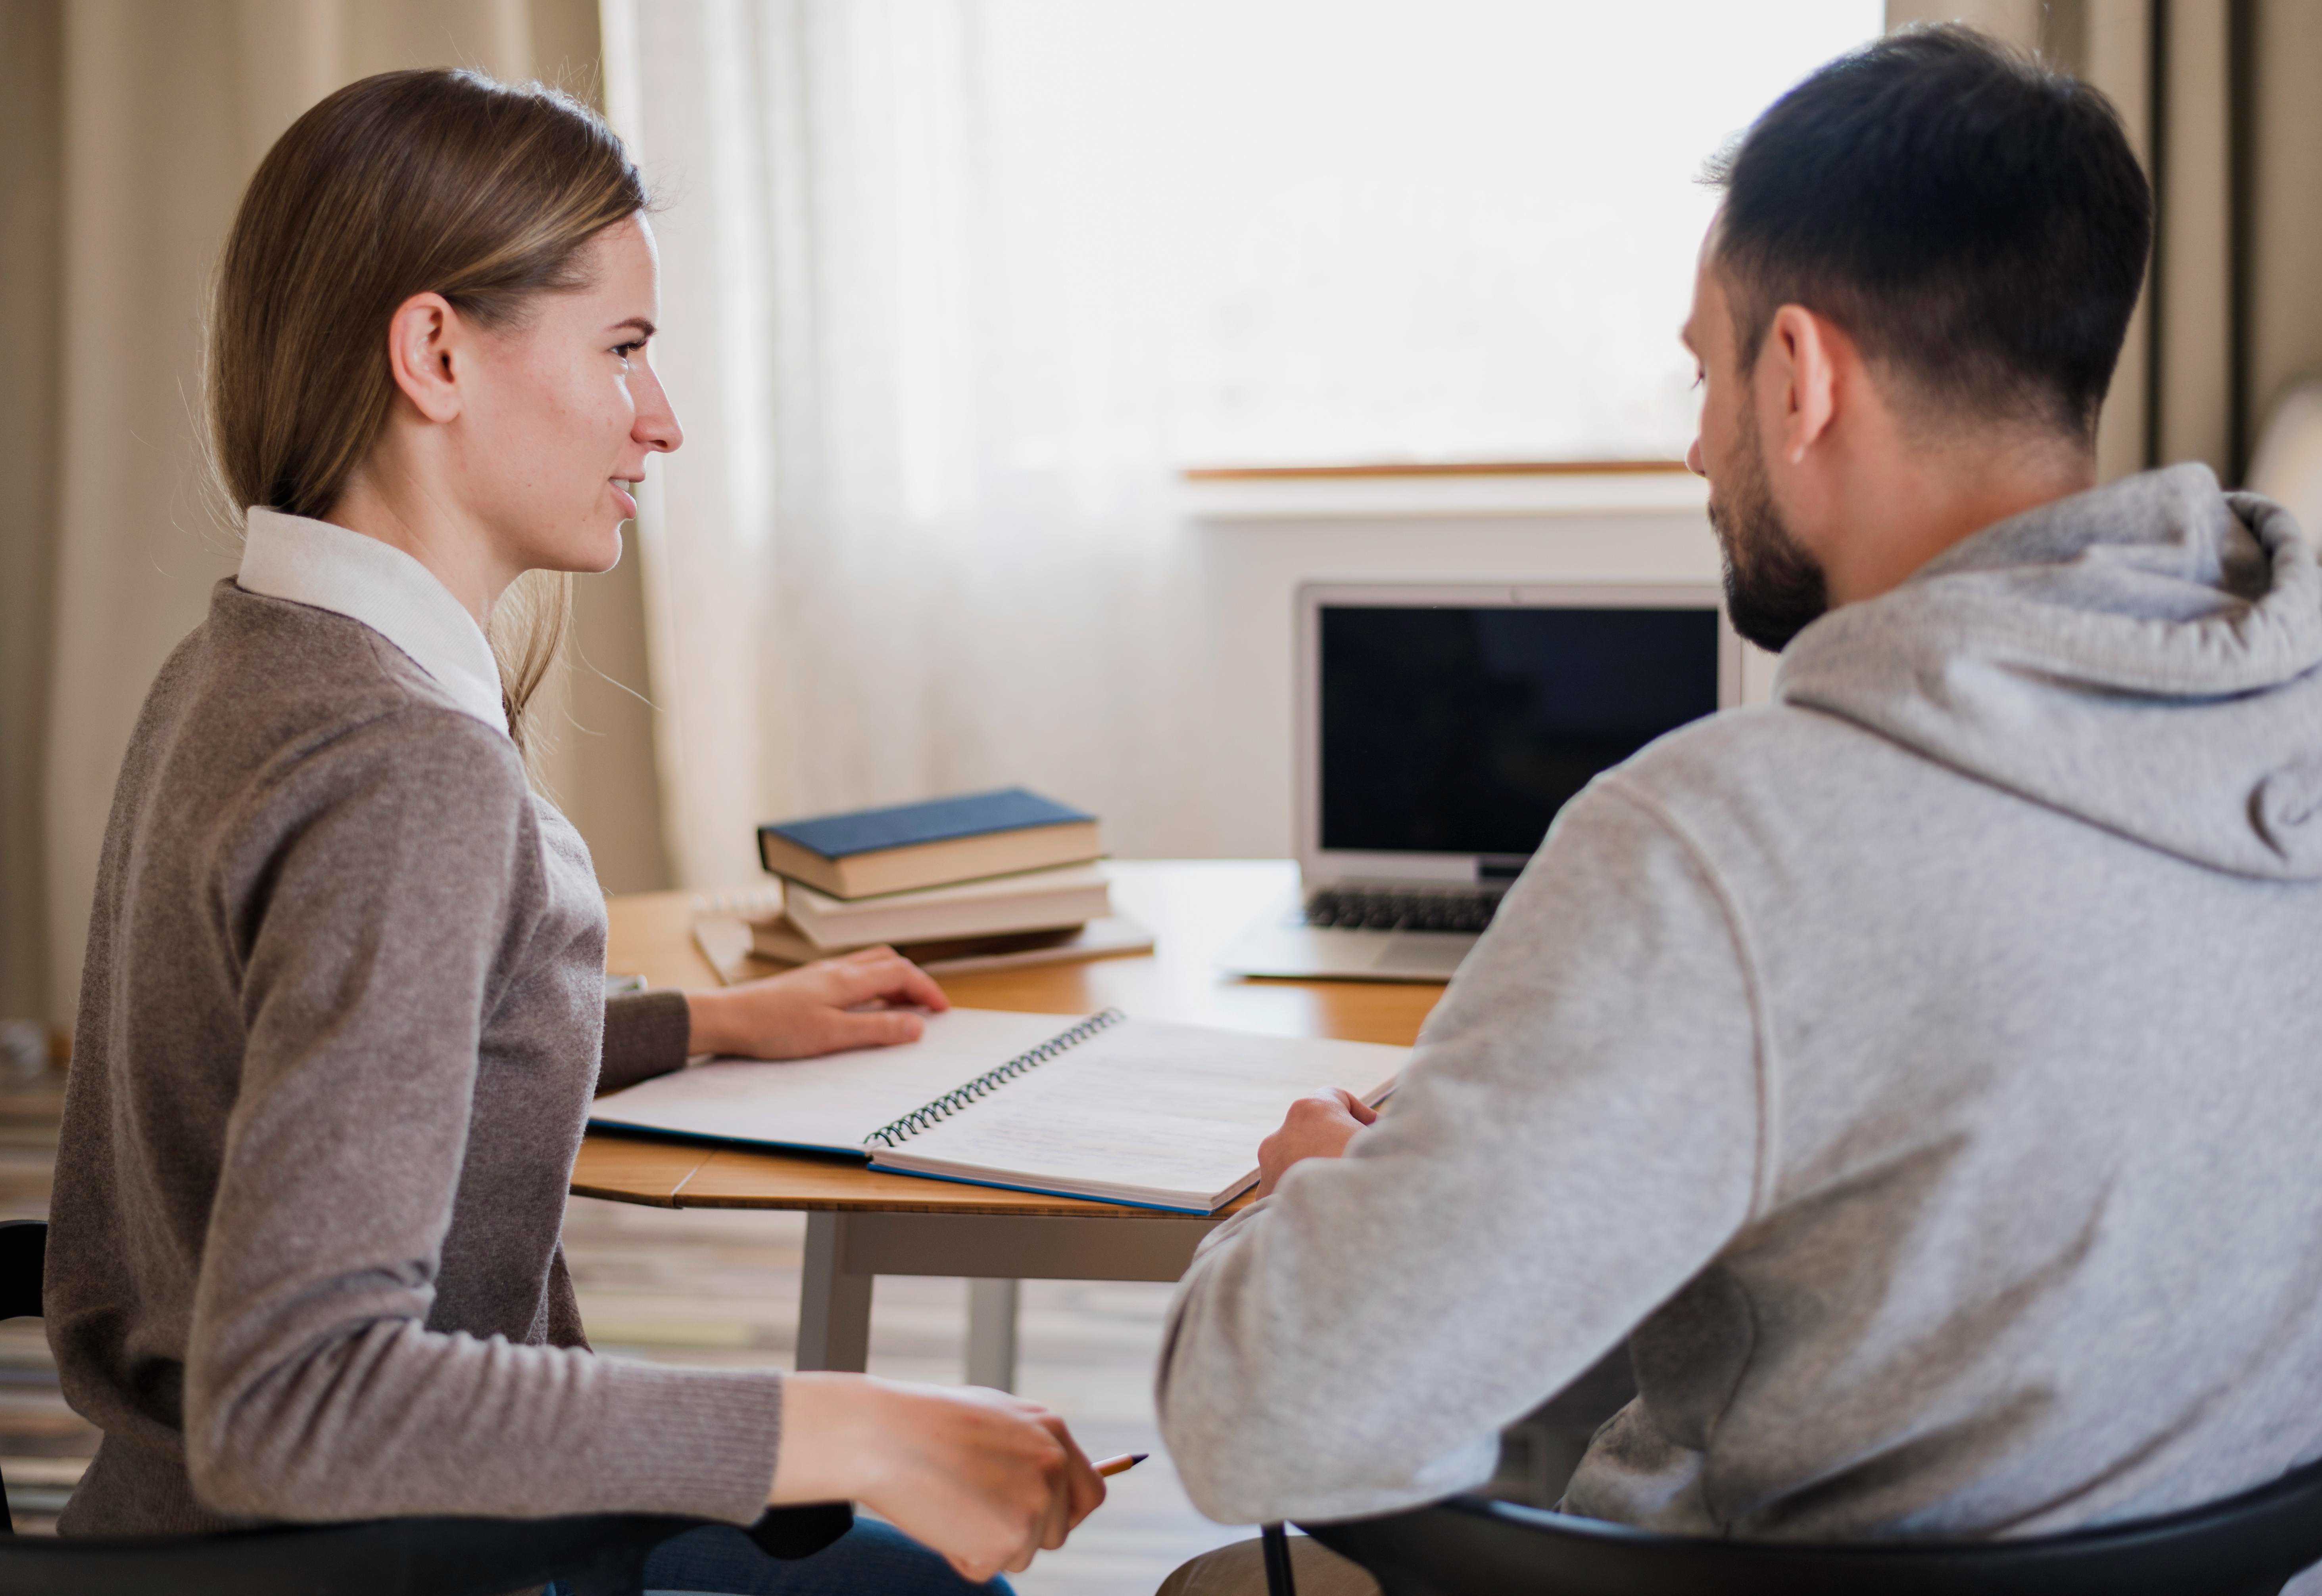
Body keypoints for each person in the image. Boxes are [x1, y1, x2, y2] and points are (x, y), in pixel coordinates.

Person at [1156, 25, 2322, 1594]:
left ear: (1799, 378)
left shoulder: (1718, 846)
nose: (1696, 441)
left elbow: (1259, 1422)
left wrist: (1314, 1213)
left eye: (1704, 371)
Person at [44, 69, 1102, 1595]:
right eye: (623, 350)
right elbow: (296, 1404)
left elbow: (346, 1044)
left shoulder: (240, 658)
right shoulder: (405, 765)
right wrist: (845, 1425)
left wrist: (705, 1021)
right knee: (944, 1580)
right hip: (372, 1558)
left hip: (167, 1538)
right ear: (435, 354)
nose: (660, 421)